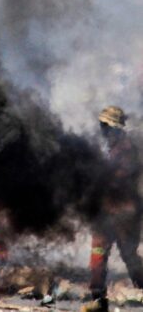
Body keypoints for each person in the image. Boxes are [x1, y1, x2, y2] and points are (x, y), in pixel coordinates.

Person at [82, 106, 143, 312]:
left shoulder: (126, 150)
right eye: (102, 126)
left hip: (124, 213)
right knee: (98, 253)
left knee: (130, 257)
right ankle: (98, 299)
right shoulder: (115, 148)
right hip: (107, 213)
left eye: (105, 126)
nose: (102, 131)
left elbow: (119, 180)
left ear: (114, 128)